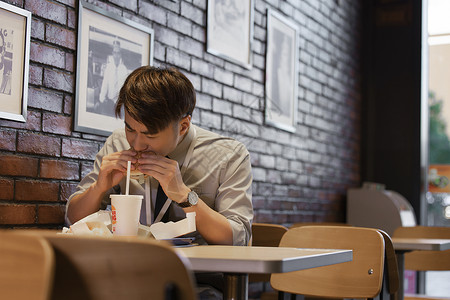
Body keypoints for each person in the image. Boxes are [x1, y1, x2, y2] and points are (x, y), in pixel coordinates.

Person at [66, 66, 254, 247]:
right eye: (130, 129)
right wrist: (98, 188)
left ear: (183, 126)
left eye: (150, 135)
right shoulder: (118, 143)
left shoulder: (229, 155)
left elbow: (237, 238)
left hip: (198, 275)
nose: (137, 144)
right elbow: (73, 219)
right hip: (127, 269)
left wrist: (184, 195)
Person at [96, 39, 129, 117]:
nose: (116, 55)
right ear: (112, 54)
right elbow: (105, 85)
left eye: (118, 53)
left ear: (120, 55)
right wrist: (101, 100)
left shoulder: (124, 70)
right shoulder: (109, 68)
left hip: (120, 104)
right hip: (109, 103)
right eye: (115, 53)